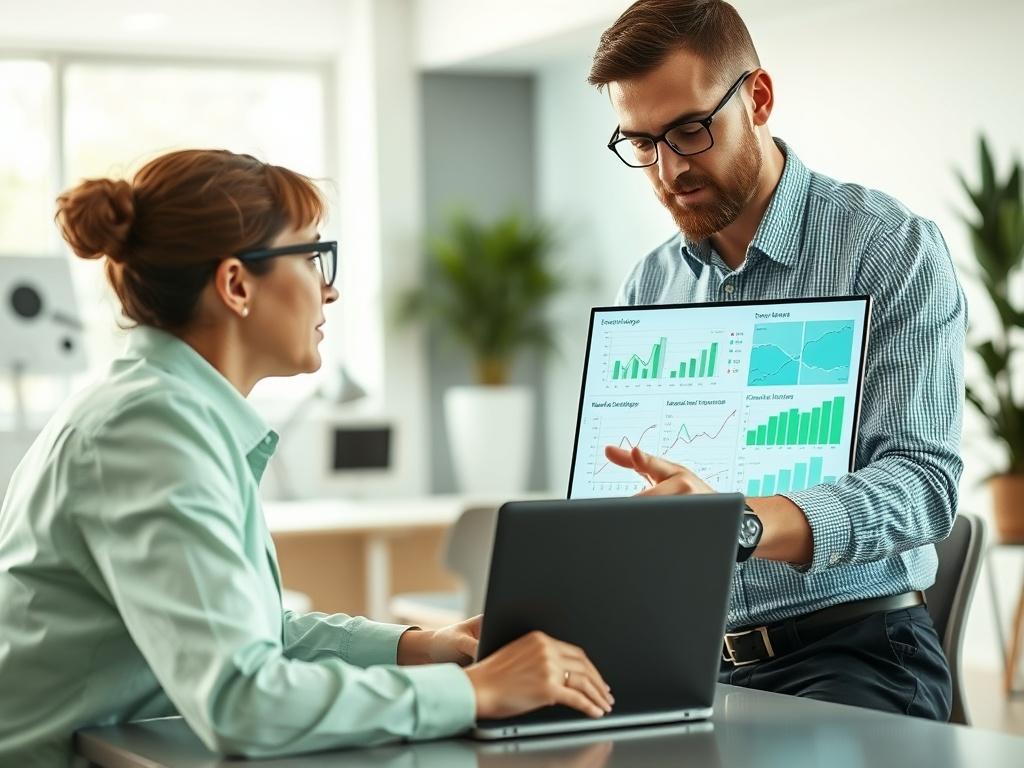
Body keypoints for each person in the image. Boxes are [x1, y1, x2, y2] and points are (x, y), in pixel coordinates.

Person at [0, 149, 613, 766]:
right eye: (313, 256)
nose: (332, 287)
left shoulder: (168, 412)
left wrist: (421, 646)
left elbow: (258, 635)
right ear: (236, 284)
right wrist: (472, 691)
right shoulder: (149, 433)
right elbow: (243, 699)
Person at [589, 0, 965, 719]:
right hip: (688, 652)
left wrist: (743, 524)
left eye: (690, 131)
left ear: (758, 98)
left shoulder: (890, 250)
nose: (668, 170)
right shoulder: (650, 285)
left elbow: (924, 484)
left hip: (855, 651)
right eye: (641, 143)